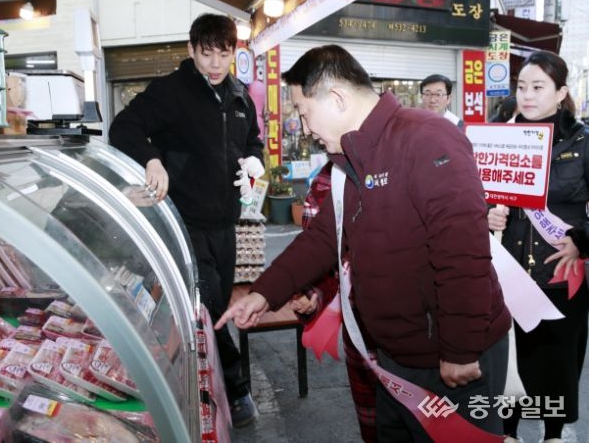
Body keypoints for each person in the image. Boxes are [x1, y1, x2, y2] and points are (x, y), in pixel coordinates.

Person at [216, 45, 511, 441]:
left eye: (304, 112)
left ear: (337, 98)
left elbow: (462, 252)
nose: (305, 128)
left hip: (449, 362)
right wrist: (263, 294)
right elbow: (323, 238)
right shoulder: (350, 160)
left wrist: (460, 349)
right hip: (392, 360)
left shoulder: (426, 137)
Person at [108, 13, 264, 428]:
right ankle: (236, 388)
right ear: (191, 50)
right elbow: (123, 127)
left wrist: (254, 164)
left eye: (223, 54)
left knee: (214, 306)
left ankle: (204, 387)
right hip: (183, 223)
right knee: (208, 306)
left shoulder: (240, 95)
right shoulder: (171, 91)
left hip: (226, 225)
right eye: (206, 53)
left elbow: (253, 142)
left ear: (234, 52)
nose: (215, 64)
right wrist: (151, 159)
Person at [487, 50, 589, 443]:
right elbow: (476, 192)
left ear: (561, 92)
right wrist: (486, 214)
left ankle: (553, 433)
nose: (527, 95)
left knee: (557, 363)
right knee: (511, 359)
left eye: (538, 87)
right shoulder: (500, 136)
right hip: (508, 271)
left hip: (561, 274)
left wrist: (581, 241)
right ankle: (509, 432)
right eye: (522, 86)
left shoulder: (582, 141)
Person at [290, 161, 378, 442]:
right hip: (360, 333)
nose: (311, 135)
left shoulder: (407, 163)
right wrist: (311, 293)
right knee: (373, 426)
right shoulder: (324, 183)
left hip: (418, 335)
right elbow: (320, 257)